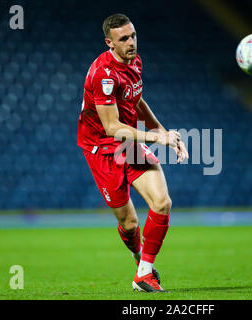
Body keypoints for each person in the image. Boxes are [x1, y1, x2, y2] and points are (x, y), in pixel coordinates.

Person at [77, 13, 188, 292]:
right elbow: (112, 127)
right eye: (124, 39)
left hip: (129, 144)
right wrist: (154, 138)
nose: (131, 43)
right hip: (102, 149)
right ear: (109, 43)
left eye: (133, 36)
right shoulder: (103, 74)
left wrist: (163, 133)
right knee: (129, 223)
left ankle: (144, 274)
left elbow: (136, 101)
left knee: (162, 203)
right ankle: (139, 258)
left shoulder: (135, 61)